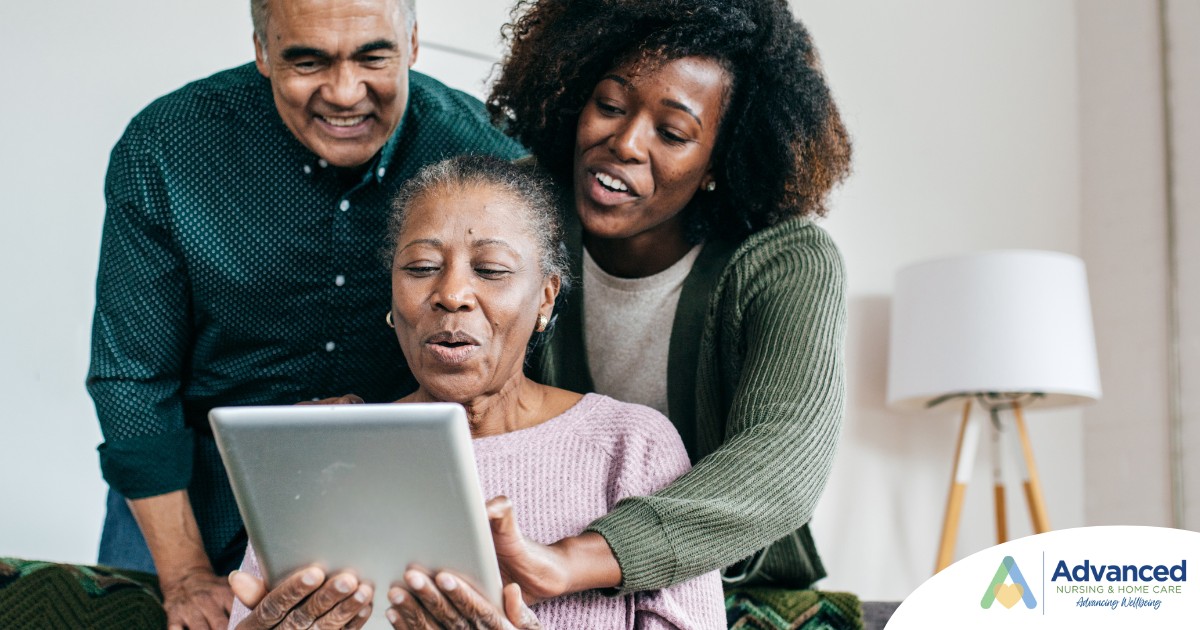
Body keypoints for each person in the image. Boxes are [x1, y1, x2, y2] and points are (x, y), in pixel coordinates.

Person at [394, 0, 853, 622]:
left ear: (719, 160)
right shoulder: (529, 211)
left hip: (719, 575)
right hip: (535, 567)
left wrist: (572, 560)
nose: (625, 143)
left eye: (672, 133)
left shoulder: (785, 261)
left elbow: (782, 460)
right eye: (609, 105)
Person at [85, 0, 525, 627]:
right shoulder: (165, 147)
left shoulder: (488, 156)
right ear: (263, 51)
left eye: (373, 56)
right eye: (307, 60)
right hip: (190, 500)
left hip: (395, 495)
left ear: (414, 42)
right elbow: (132, 377)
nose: (346, 93)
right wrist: (184, 575)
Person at [225, 155, 727, 630]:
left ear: (545, 299)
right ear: (392, 296)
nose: (452, 294)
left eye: (490, 270)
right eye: (421, 268)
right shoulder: (318, 450)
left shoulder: (632, 447)